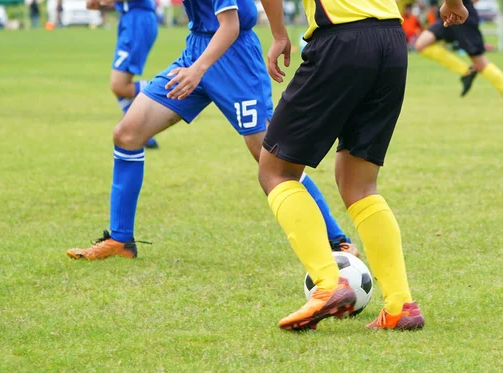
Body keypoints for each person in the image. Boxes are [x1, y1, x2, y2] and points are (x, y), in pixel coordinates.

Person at [66, 0, 358, 261]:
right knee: (127, 134)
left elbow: (229, 26)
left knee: (269, 157)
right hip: (197, 49)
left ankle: (337, 240)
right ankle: (120, 240)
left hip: (235, 59)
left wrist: (201, 69)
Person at [255, 0, 467, 331]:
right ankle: (401, 305)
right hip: (392, 41)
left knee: (275, 171)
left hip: (342, 40)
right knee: (358, 183)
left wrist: (279, 33)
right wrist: (453, 4)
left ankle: (328, 284)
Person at [87, 0, 160, 149]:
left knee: (119, 85)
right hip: (130, 20)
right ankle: (144, 136)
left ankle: (178, 88)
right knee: (119, 85)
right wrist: (101, 5)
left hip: (138, 22)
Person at [415, 0, 503, 97]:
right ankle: (466, 72)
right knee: (421, 45)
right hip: (448, 12)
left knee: (480, 63)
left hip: (464, 14)